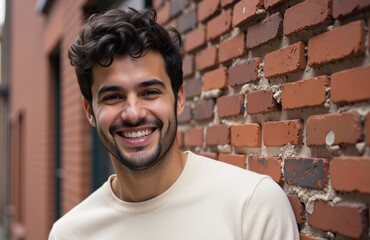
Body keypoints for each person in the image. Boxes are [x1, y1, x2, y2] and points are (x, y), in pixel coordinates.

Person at [49, 8, 299, 240]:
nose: (133, 113)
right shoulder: (69, 234)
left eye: (150, 92)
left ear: (178, 99)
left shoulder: (251, 207)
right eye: (113, 97)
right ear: (89, 112)